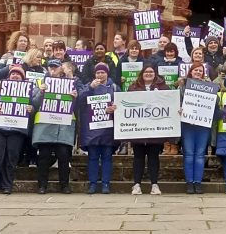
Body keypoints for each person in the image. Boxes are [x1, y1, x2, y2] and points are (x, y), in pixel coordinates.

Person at [31, 59, 78, 194]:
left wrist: (74, 97)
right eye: (50, 67)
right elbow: (33, 103)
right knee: (44, 156)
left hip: (63, 125)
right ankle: (42, 185)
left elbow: (78, 105)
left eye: (55, 67)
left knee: (64, 155)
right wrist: (41, 92)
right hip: (45, 125)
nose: (52, 70)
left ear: (61, 69)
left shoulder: (71, 83)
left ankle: (64, 185)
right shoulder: (40, 83)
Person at [0, 65, 31, 194]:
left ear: (23, 78)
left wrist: (31, 107)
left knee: (11, 157)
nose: (15, 76)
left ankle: (6, 185)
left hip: (17, 129)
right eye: (13, 74)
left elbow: (35, 103)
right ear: (8, 76)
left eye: (18, 74)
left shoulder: (29, 91)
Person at [126, 65, 171, 195]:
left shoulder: (163, 88)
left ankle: (154, 184)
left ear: (155, 74)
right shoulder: (133, 87)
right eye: (146, 71)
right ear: (142, 73)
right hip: (138, 131)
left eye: (151, 72)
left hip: (155, 131)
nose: (149, 73)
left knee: (154, 158)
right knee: (138, 157)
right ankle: (136, 184)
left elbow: (169, 103)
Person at [78, 63, 117, 194]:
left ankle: (106, 183)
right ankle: (93, 183)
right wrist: (89, 88)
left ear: (107, 73)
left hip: (108, 129)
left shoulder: (115, 87)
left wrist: (113, 108)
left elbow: (120, 103)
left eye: (103, 72)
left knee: (107, 157)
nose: (100, 75)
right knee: (93, 157)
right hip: (92, 129)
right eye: (98, 73)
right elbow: (79, 100)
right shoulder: (89, 86)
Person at [179, 62, 215, 194]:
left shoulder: (209, 86)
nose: (198, 73)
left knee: (200, 155)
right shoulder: (183, 86)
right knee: (188, 154)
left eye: (200, 71)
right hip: (188, 124)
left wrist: (211, 89)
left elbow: (215, 103)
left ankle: (198, 183)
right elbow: (178, 101)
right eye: (196, 70)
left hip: (203, 125)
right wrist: (180, 109)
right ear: (191, 72)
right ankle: (189, 182)